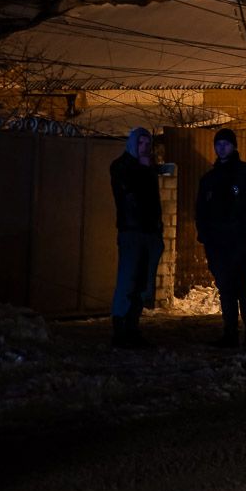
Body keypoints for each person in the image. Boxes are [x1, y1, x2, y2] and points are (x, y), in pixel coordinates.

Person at [195, 128, 246, 349]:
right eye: (218, 144)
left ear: (234, 146)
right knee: (225, 288)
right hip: (217, 243)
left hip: (239, 242)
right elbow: (201, 210)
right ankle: (230, 334)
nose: (221, 148)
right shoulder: (209, 179)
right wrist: (206, 235)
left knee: (242, 287)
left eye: (226, 144)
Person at [109, 126, 164, 348]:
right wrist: (144, 170)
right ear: (132, 144)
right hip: (132, 232)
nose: (145, 148)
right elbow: (129, 192)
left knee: (142, 283)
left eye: (148, 144)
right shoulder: (122, 167)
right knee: (128, 281)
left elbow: (153, 203)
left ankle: (132, 328)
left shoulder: (146, 169)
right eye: (141, 143)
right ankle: (121, 331)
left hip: (149, 233)